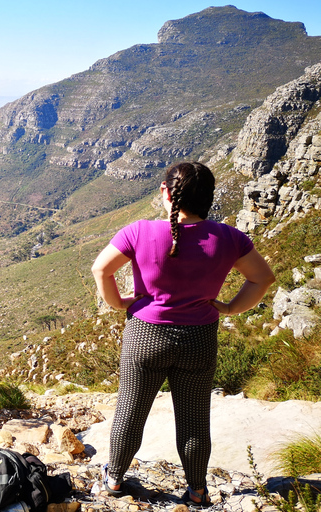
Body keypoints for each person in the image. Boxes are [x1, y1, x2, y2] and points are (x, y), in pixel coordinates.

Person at [90, 161, 275, 506]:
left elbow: (101, 269)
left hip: (145, 334)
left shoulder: (139, 232)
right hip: (198, 338)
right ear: (208, 198)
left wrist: (120, 303)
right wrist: (231, 307)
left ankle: (113, 480)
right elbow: (262, 278)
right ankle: (197, 491)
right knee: (193, 420)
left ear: (166, 192)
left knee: (130, 412)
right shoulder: (230, 237)